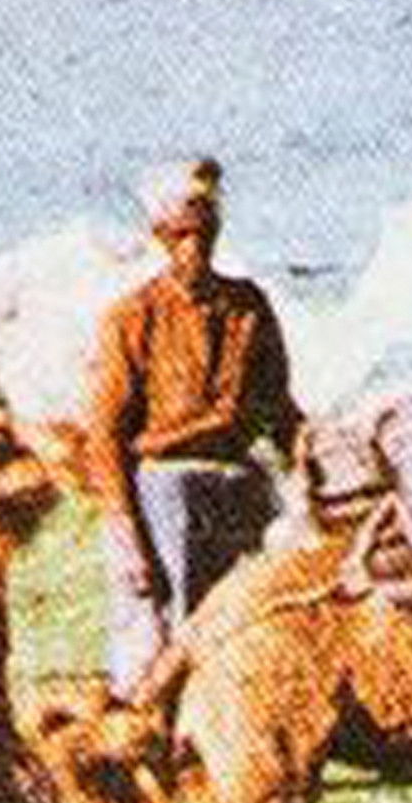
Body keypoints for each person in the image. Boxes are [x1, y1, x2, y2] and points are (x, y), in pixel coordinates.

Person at [82, 158, 298, 701]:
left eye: (204, 233)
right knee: (167, 628)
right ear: (159, 236)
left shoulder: (248, 307)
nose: (192, 248)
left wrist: (319, 470)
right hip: (166, 487)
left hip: (237, 483)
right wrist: (128, 538)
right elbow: (105, 438)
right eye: (179, 235)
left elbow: (280, 410)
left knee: (247, 616)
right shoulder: (131, 317)